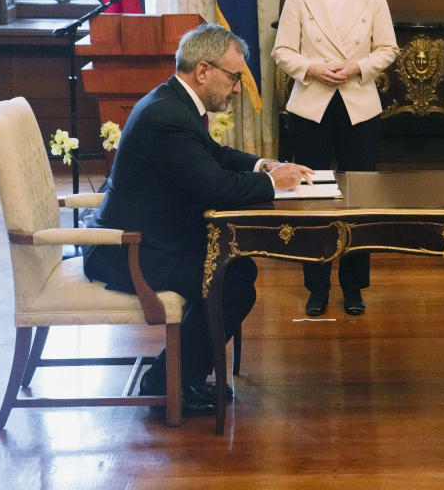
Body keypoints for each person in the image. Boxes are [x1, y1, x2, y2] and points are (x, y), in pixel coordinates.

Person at [83, 24, 312, 415]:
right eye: (234, 77)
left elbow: (214, 154)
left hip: (151, 237)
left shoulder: (172, 102)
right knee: (233, 282)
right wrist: (272, 184)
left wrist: (265, 165)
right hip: (130, 251)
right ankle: (168, 383)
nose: (238, 89)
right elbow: (216, 188)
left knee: (236, 271)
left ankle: (178, 375)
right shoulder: (168, 116)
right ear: (203, 71)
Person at [272, 0, 398, 318]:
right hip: (311, 105)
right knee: (311, 198)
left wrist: (358, 67)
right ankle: (316, 284)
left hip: (359, 105)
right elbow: (282, 51)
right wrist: (311, 67)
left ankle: (354, 285)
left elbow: (388, 49)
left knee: (358, 198)